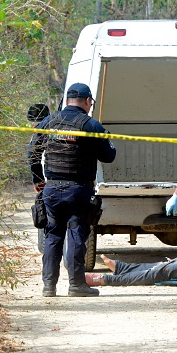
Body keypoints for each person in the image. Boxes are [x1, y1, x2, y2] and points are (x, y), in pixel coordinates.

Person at [28, 83, 116, 297]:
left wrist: (39, 180)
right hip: (78, 190)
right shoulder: (90, 125)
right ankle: (76, 285)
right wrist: (104, 139)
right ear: (87, 101)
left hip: (52, 188)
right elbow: (109, 156)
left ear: (67, 100)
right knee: (76, 235)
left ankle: (49, 286)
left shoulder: (48, 122)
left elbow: (32, 152)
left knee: (53, 236)